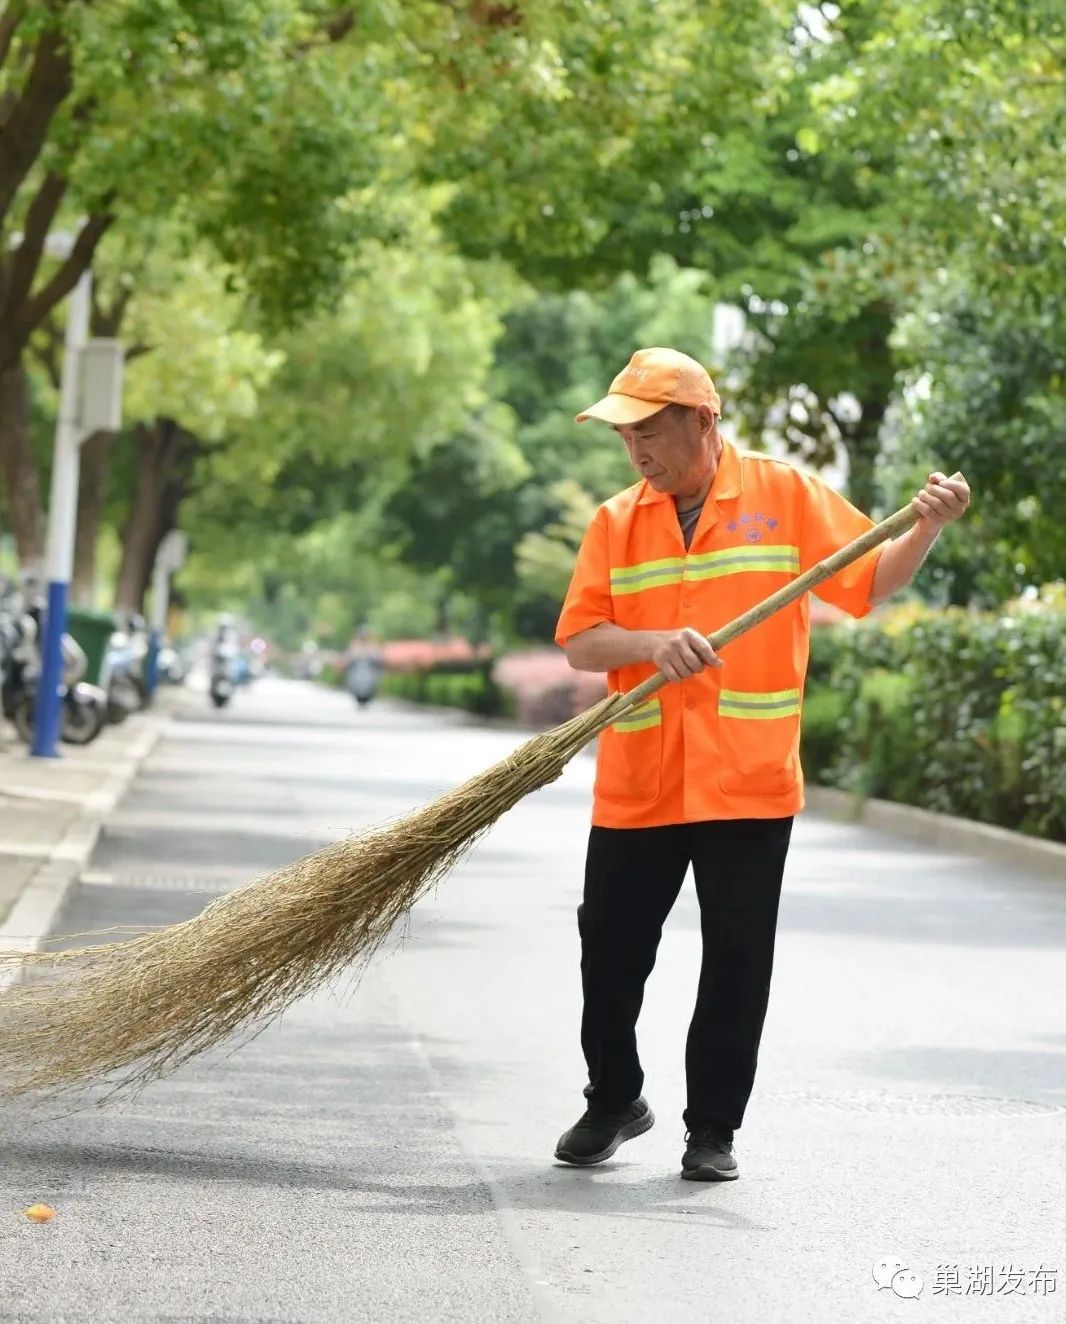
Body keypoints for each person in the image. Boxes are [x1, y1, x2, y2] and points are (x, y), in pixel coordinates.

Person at [553, 347, 970, 1181]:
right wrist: (650, 643)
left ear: (702, 421)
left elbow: (868, 583)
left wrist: (926, 526)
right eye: (624, 436)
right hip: (642, 779)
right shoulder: (616, 521)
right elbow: (581, 641)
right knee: (609, 947)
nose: (635, 450)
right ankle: (614, 1097)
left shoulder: (785, 496)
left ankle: (712, 1130)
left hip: (747, 781)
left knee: (737, 961)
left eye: (647, 431)